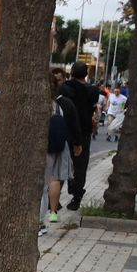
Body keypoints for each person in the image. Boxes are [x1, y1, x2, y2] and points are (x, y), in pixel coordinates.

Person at [59, 61, 97, 210]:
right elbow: (94, 109)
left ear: (72, 72)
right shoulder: (93, 91)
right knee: (80, 165)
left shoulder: (65, 88)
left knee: (61, 163)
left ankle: (54, 198)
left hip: (66, 130)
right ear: (86, 74)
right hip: (84, 132)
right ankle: (76, 196)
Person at [46, 72, 79, 233]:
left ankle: (38, 220)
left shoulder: (35, 104)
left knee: (41, 182)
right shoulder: (59, 105)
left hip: (42, 147)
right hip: (59, 145)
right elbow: (73, 125)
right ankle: (53, 212)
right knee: (54, 178)